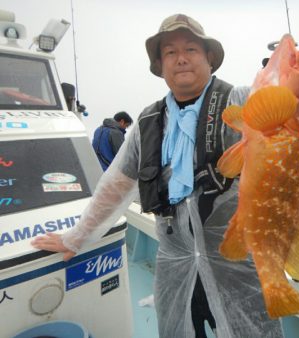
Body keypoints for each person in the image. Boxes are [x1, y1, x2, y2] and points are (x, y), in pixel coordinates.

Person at [31, 14, 284, 338]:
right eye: (169, 52)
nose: (181, 58)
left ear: (209, 58)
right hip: (173, 264)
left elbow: (297, 112)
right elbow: (114, 187)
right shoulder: (148, 122)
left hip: (237, 263)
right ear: (161, 66)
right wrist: (76, 238)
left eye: (191, 49)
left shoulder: (242, 100)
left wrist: (296, 76)